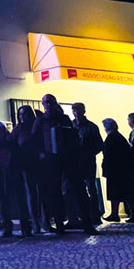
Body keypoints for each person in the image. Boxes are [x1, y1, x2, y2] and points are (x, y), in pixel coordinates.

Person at [33, 94, 97, 235]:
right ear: (43, 104)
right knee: (55, 193)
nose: (49, 105)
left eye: (52, 102)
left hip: (69, 159)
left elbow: (74, 136)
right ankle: (60, 225)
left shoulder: (65, 119)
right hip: (52, 161)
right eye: (46, 103)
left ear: (56, 103)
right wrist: (42, 153)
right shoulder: (40, 120)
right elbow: (34, 141)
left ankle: (87, 223)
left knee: (80, 190)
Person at [101, 118, 134, 223]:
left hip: (115, 170)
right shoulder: (119, 137)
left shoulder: (111, 138)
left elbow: (108, 154)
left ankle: (116, 214)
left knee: (116, 193)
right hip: (123, 169)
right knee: (125, 192)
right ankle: (131, 214)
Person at [11, 105, 43, 234]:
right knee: (30, 194)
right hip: (23, 166)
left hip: (37, 165)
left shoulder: (36, 128)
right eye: (20, 114)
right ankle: (33, 223)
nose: (22, 117)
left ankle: (42, 222)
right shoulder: (18, 129)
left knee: (39, 194)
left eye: (24, 114)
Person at [71, 103, 104, 225]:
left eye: (78, 110)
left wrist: (89, 153)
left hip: (88, 161)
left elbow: (99, 145)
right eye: (74, 110)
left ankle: (95, 215)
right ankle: (81, 215)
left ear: (84, 111)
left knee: (91, 188)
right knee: (77, 190)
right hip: (75, 162)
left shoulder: (91, 127)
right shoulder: (71, 125)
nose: (76, 113)